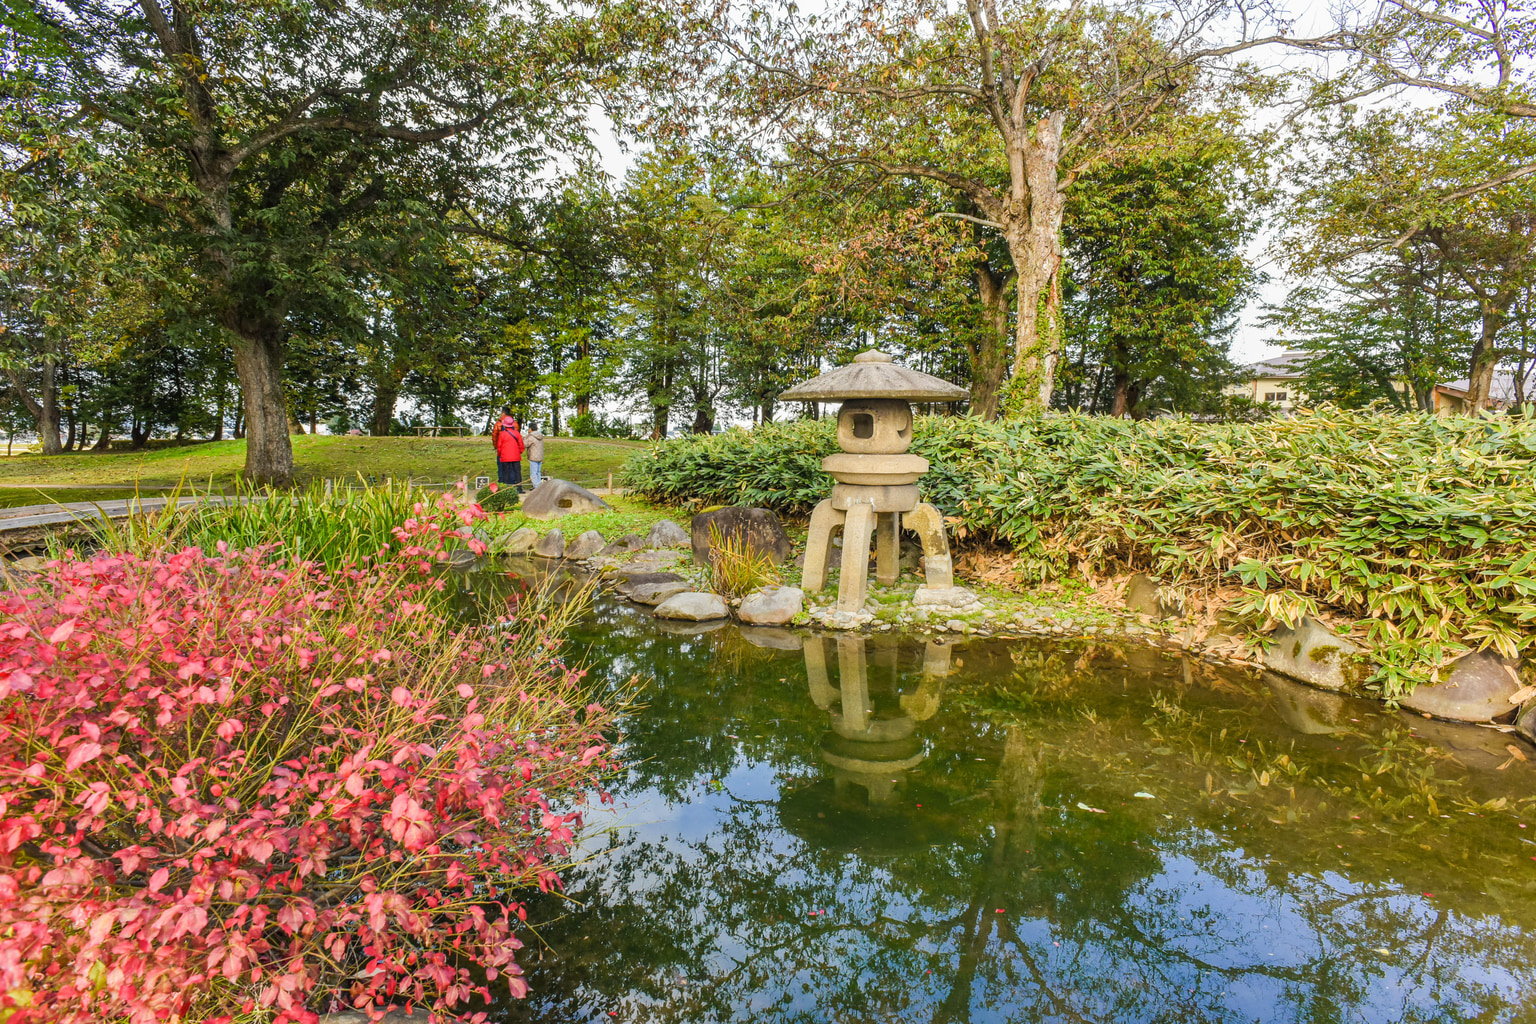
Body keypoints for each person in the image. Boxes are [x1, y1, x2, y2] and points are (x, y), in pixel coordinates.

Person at [491, 407, 524, 488]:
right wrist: (518, 451)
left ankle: (503, 485)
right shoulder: (515, 424)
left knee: (502, 469)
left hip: (503, 452)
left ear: (503, 413)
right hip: (515, 452)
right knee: (514, 470)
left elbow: (495, 436)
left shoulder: (499, 425)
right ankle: (514, 485)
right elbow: (520, 442)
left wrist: (497, 448)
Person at [525, 420, 545, 487]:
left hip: (533, 457)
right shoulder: (540, 436)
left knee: (533, 474)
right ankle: (539, 486)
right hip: (540, 456)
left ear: (530, 429)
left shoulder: (531, 436)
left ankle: (536, 487)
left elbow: (524, 444)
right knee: (538, 473)